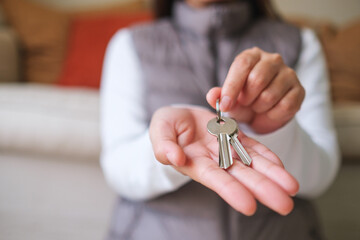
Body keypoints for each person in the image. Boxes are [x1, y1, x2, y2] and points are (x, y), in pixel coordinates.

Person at [100, 0, 340, 239]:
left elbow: (320, 176)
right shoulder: (130, 43)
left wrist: (275, 131)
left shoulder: (301, 43)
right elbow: (118, 168)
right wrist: (170, 148)